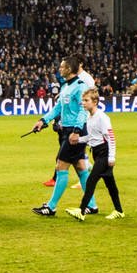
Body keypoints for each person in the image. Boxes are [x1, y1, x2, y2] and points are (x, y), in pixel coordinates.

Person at [30, 59, 92, 217]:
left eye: (62, 67)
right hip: (68, 131)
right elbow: (58, 108)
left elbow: (82, 111)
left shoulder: (80, 86)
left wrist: (77, 130)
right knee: (81, 168)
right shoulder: (65, 86)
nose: (60, 69)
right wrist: (43, 120)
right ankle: (92, 205)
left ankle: (51, 207)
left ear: (70, 68)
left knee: (61, 167)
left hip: (75, 131)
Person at [69, 88, 125, 221]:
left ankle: (81, 210)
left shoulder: (102, 117)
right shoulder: (89, 117)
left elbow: (111, 137)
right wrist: (78, 140)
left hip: (104, 153)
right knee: (110, 184)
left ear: (95, 102)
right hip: (97, 152)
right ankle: (119, 211)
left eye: (86, 100)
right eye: (83, 100)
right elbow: (92, 137)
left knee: (91, 181)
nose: (83, 103)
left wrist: (111, 157)